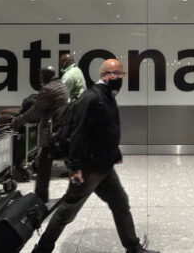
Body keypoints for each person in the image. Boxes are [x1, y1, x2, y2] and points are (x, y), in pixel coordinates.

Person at [32, 59, 157, 253]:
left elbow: (105, 128)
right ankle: (42, 249)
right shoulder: (91, 98)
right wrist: (74, 168)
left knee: (120, 203)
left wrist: (115, 153)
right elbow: (77, 133)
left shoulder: (107, 96)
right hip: (88, 168)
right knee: (67, 211)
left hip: (103, 167)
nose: (120, 78)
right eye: (116, 74)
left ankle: (133, 247)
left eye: (121, 75)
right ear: (105, 75)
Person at [11, 66, 69, 203]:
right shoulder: (61, 86)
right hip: (60, 129)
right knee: (46, 163)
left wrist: (17, 121)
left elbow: (34, 113)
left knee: (44, 165)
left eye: (41, 75)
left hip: (50, 132)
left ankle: (40, 197)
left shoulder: (47, 89)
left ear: (44, 76)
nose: (40, 78)